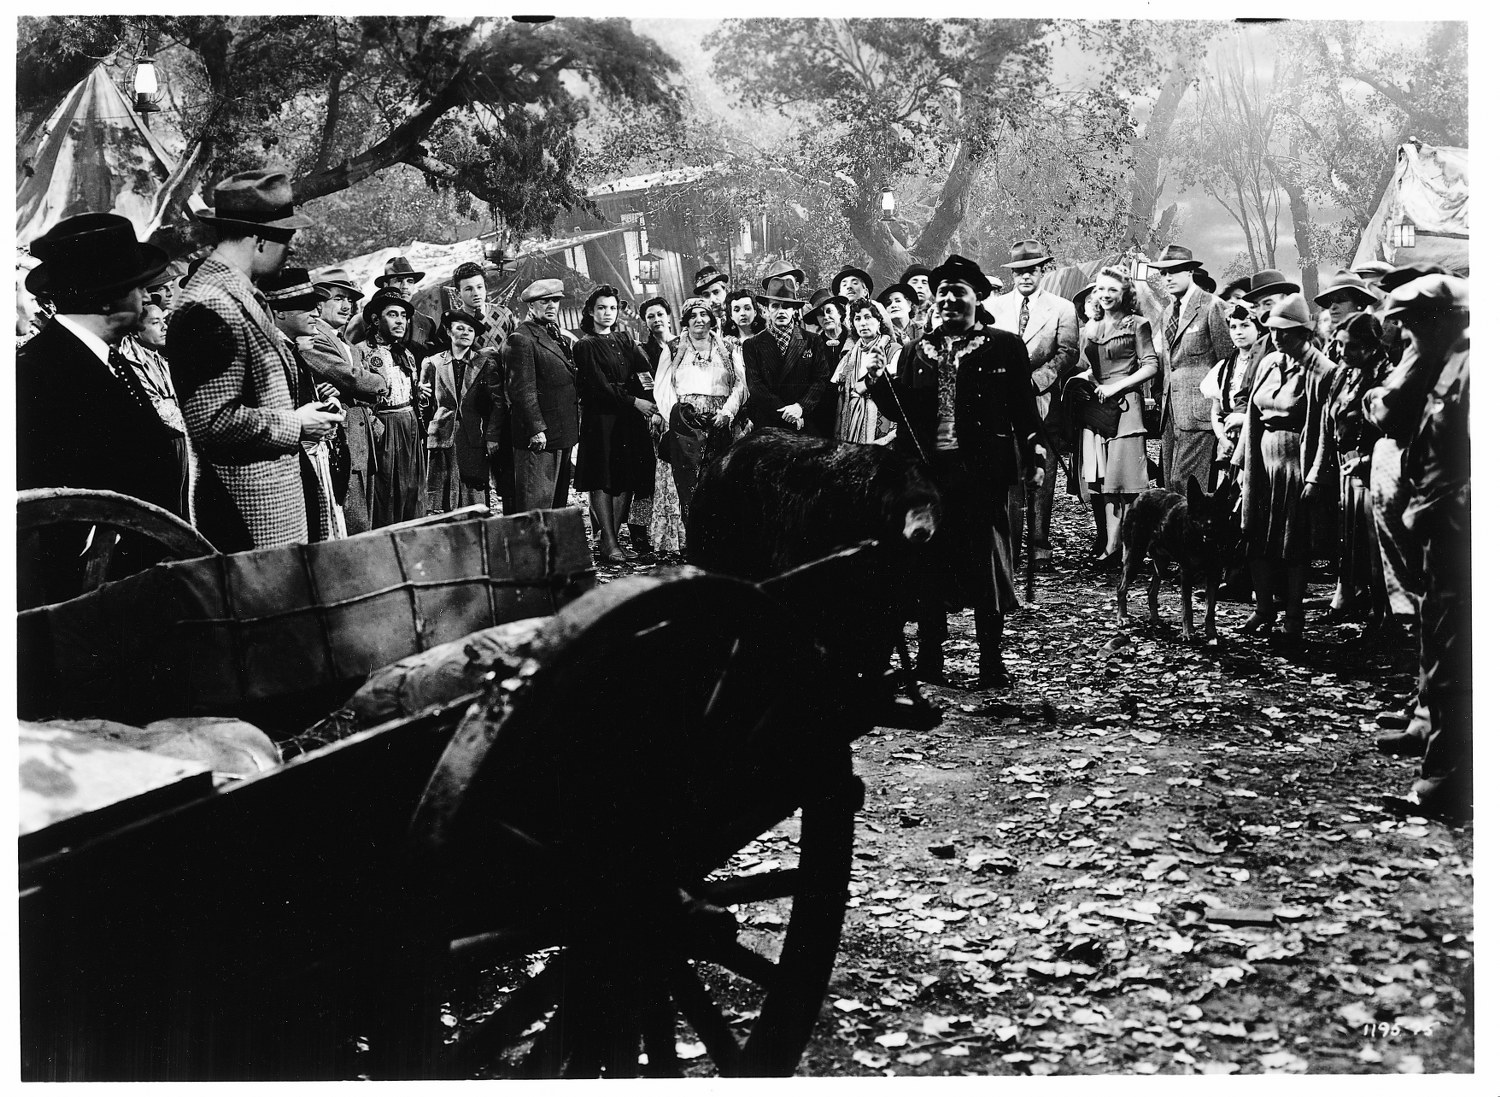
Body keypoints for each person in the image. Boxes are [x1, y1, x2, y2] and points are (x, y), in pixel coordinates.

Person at [865, 254, 1047, 690]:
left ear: (977, 297)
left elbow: (1024, 410)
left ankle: (991, 662)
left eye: (958, 292)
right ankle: (930, 658)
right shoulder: (916, 351)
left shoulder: (1005, 346)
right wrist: (878, 383)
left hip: (982, 476)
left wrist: (1035, 456)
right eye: (942, 292)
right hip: (928, 477)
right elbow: (903, 413)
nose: (948, 299)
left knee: (985, 567)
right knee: (927, 565)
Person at [19, 213, 191, 600]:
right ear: (107, 298)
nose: (148, 298)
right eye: (138, 286)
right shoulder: (35, 374)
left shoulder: (105, 359)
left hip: (135, 582)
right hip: (88, 598)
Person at [169, 171, 341, 551]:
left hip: (271, 510)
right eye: (287, 239)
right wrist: (297, 423)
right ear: (260, 240)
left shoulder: (238, 294)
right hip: (246, 518)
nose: (291, 251)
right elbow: (212, 421)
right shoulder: (209, 305)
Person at [1368, 276, 1470, 817]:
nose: (1406, 335)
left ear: (1440, 321)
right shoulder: (1445, 361)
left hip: (1458, 529)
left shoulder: (1470, 367)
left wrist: (1449, 511)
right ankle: (1438, 761)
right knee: (1439, 643)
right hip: (1439, 526)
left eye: (1413, 325)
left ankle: (1447, 783)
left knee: (1456, 654)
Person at [1233, 294, 1337, 647]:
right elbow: (1252, 414)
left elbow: (1326, 430)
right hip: (1262, 461)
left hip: (1296, 463)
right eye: (1273, 330)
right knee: (1256, 535)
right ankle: (1263, 610)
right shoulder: (1269, 362)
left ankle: (1293, 615)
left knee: (1294, 543)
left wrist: (1316, 475)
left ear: (1304, 332)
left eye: (1286, 331)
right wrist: (1241, 463)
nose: (1278, 337)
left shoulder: (1322, 370)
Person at [989, 240, 1079, 571]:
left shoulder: (1062, 308)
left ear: (1042, 271)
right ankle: (1010, 549)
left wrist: (1037, 381)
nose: (1026, 276)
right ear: (1012, 275)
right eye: (1019, 272)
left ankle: (1040, 545)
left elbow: (1069, 352)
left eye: (1032, 270)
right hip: (1003, 402)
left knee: (1043, 470)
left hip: (1043, 400)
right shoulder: (995, 307)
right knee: (1009, 473)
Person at [1073, 266, 1159, 565]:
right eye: (1101, 289)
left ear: (1125, 293)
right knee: (1105, 483)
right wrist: (1083, 383)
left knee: (1127, 483)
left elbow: (1151, 365)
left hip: (1126, 408)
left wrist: (1116, 387)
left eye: (1113, 290)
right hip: (1096, 409)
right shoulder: (1091, 327)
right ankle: (1112, 545)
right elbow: (1085, 366)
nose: (1106, 295)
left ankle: (1132, 548)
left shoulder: (1138, 324)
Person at [573, 285, 659, 562]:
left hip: (628, 420)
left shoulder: (624, 339)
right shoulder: (585, 345)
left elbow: (644, 371)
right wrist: (635, 402)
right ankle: (609, 541)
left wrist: (651, 401)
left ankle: (611, 538)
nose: (607, 313)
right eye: (601, 308)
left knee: (626, 479)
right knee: (604, 479)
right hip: (601, 419)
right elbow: (599, 386)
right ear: (591, 311)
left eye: (612, 308)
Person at [264, 268, 347, 541]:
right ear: (279, 313)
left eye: (315, 307)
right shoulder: (273, 352)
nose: (315, 314)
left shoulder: (292, 349)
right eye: (304, 307)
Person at [304, 266, 389, 533]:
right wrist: (379, 382)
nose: (346, 306)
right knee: (352, 523)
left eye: (350, 300)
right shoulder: (315, 338)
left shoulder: (348, 344)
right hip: (342, 440)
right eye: (338, 298)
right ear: (319, 303)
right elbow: (351, 378)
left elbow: (359, 386)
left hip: (363, 441)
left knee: (365, 520)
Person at [655, 296, 747, 534]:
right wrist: (678, 419)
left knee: (719, 477)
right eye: (693, 315)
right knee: (686, 479)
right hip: (684, 424)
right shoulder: (673, 348)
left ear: (712, 319)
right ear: (686, 321)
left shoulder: (727, 347)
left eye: (704, 314)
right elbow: (663, 387)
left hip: (720, 421)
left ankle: (720, 536)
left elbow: (740, 385)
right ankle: (687, 538)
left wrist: (728, 412)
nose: (699, 320)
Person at [1324, 313, 1392, 634]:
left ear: (1370, 347)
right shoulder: (1344, 374)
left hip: (1372, 470)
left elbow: (1392, 432)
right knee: (1354, 544)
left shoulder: (1385, 377)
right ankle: (1369, 613)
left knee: (1376, 548)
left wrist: (1365, 460)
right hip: (1346, 468)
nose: (1341, 353)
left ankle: (1385, 620)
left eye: (1349, 347)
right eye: (1339, 345)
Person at [1149, 244, 1233, 494]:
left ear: (1190, 272)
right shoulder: (1167, 312)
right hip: (1171, 416)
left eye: (1174, 271)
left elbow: (1227, 362)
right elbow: (1168, 364)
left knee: (1188, 487)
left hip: (1200, 416)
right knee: (1171, 486)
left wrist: (1223, 416)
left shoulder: (1212, 306)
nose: (1167, 278)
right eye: (1163, 273)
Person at [421, 308, 505, 515]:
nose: (466, 333)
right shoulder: (432, 363)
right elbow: (425, 404)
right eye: (460, 328)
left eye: (470, 330)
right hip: (442, 438)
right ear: (449, 332)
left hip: (473, 437)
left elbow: (498, 403)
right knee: (441, 502)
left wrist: (492, 436)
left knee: (474, 498)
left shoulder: (485, 363)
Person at [505, 279, 579, 511]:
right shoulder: (521, 338)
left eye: (555, 301)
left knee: (556, 505)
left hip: (561, 432)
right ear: (531, 305)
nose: (551, 306)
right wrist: (536, 429)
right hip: (540, 438)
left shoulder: (554, 334)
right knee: (536, 504)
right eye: (544, 301)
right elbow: (521, 389)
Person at [358, 289, 430, 526]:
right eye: (392, 315)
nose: (400, 321)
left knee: (413, 489)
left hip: (410, 424)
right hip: (384, 427)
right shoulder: (361, 352)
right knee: (387, 491)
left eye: (403, 315)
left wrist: (418, 393)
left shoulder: (406, 353)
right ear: (376, 319)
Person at [116, 295, 192, 517]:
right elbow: (156, 406)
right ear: (136, 330)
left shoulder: (163, 356)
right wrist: (193, 425)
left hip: (182, 439)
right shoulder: (130, 361)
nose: (164, 327)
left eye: (164, 321)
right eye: (155, 323)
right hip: (164, 443)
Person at [742, 275, 830, 436]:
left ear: (794, 309)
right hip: (769, 423)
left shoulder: (813, 340)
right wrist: (785, 413)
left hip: (803, 421)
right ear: (766, 309)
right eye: (775, 306)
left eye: (787, 306)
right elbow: (755, 386)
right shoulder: (752, 345)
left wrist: (800, 407)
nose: (781, 311)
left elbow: (821, 379)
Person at [639, 296, 683, 556]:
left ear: (668, 316)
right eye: (650, 317)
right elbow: (644, 384)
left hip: (682, 413)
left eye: (659, 315)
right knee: (654, 474)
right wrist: (656, 411)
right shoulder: (642, 351)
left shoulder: (683, 343)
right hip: (655, 416)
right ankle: (646, 530)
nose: (656, 320)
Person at [830, 297, 899, 445]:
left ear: (879, 321)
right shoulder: (849, 357)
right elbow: (839, 394)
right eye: (858, 319)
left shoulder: (894, 351)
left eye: (868, 317)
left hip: (883, 422)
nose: (863, 323)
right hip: (851, 423)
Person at [345, 255, 439, 358]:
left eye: (410, 281)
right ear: (386, 285)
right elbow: (348, 356)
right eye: (399, 280)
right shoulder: (361, 321)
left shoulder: (427, 323)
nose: (405, 287)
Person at [1313, 270, 1383, 360]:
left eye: (1340, 300)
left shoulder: (1369, 337)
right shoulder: (1332, 340)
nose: (1333, 307)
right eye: (1330, 302)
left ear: (1360, 304)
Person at [451, 259, 516, 352]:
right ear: (458, 294)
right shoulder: (451, 321)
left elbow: (517, 348)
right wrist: (478, 356)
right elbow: (445, 357)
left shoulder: (504, 313)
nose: (476, 293)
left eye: (479, 287)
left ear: (485, 288)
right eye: (469, 289)